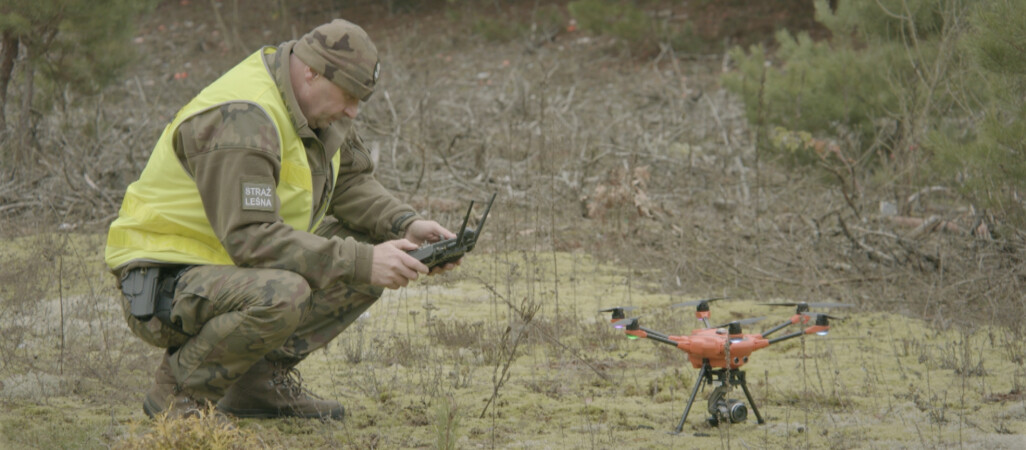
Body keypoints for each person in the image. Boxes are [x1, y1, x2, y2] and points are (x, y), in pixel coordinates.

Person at [105, 18, 458, 421]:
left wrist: (405, 225)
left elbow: (350, 181)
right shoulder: (242, 118)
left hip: (226, 270)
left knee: (366, 249)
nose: (353, 110)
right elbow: (252, 238)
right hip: (163, 278)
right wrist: (363, 260)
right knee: (285, 292)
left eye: (361, 98)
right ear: (310, 71)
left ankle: (256, 384)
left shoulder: (320, 111)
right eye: (348, 95)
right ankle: (179, 395)